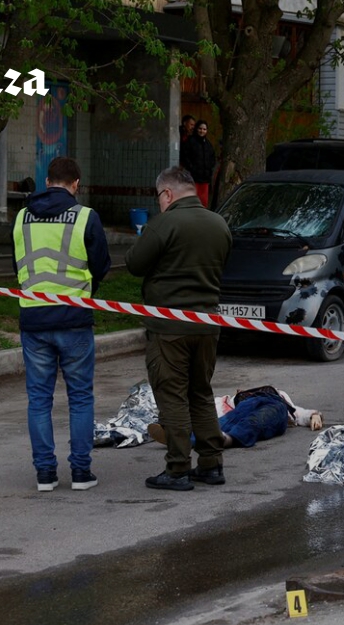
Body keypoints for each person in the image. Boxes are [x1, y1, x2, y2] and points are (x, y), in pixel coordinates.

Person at [126, 166, 233, 491]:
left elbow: (134, 264)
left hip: (168, 327)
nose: (160, 202)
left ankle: (177, 469)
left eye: (159, 197)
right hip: (207, 326)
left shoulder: (164, 223)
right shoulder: (219, 224)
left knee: (171, 395)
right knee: (201, 392)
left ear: (168, 194)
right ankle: (211, 464)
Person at [12, 156, 111, 492]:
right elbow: (101, 265)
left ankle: (45, 475)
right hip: (74, 320)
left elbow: (19, 266)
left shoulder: (22, 217)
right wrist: (83, 294)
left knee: (39, 399)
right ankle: (81, 473)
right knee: (80, 397)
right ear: (75, 185)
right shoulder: (86, 217)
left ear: (47, 181)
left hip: (34, 319)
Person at [146, 385, 324, 448]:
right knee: (223, 422)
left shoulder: (278, 396)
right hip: (240, 414)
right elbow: (202, 412)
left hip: (274, 409)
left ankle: (226, 439)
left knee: (254, 418)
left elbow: (301, 414)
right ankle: (181, 438)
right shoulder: (227, 403)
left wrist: (315, 415)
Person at [179, 119, 216, 208]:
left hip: (205, 180)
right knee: (192, 202)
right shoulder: (190, 142)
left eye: (204, 129)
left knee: (203, 203)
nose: (202, 131)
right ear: (196, 129)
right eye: (200, 128)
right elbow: (185, 157)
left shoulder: (208, 144)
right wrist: (192, 169)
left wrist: (209, 171)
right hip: (193, 179)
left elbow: (212, 159)